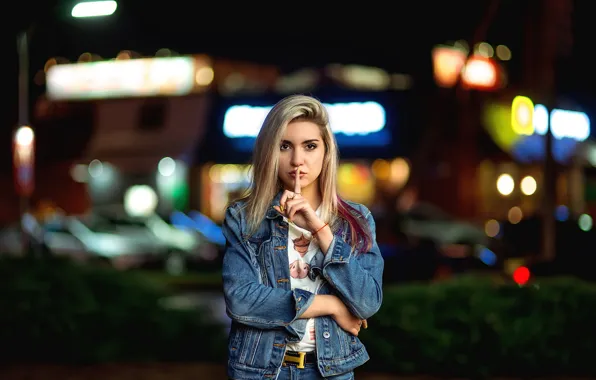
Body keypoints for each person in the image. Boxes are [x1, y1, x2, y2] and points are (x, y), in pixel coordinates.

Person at [222, 95, 384, 379]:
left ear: (326, 151)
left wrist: (320, 230)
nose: (298, 160)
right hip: (259, 370)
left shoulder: (355, 220)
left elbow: (368, 302)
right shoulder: (245, 217)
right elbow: (241, 299)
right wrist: (331, 306)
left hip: (331, 370)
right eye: (285, 146)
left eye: (310, 146)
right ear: (270, 152)